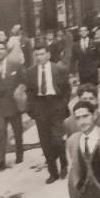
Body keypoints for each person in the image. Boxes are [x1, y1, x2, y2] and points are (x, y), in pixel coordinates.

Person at [25, 43, 70, 184]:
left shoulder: (60, 70)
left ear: (48, 55)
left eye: (42, 54)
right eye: (37, 55)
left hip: (56, 104)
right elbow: (30, 92)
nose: (40, 57)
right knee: (45, 142)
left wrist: (63, 105)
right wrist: (32, 109)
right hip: (40, 106)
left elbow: (67, 89)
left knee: (58, 139)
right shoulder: (30, 72)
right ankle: (53, 172)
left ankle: (63, 163)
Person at [0, 40, 26, 170]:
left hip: (14, 105)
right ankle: (0, 162)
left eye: (1, 48)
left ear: (5, 50)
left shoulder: (15, 65)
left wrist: (21, 95)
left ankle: (19, 155)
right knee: (1, 133)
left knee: (18, 132)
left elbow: (24, 82)